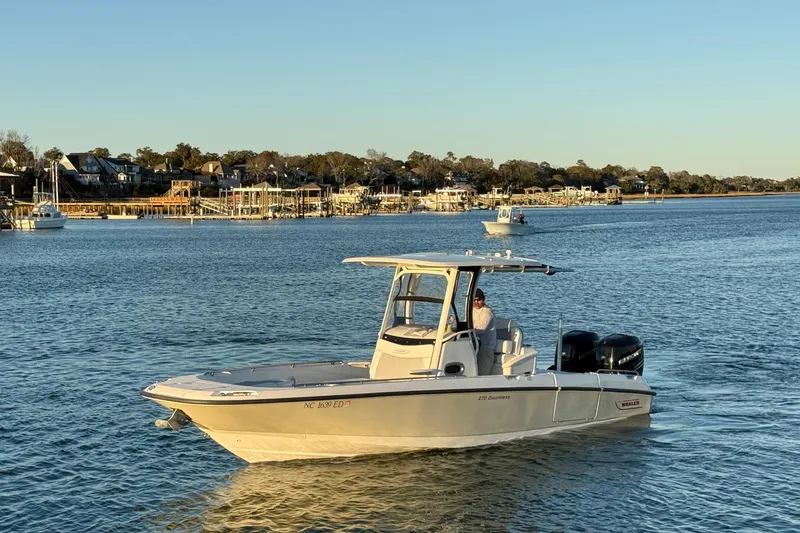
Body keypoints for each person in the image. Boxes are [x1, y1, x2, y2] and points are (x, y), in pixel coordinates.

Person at [472, 288, 496, 375]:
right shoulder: (472, 310)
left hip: (486, 347)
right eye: (474, 300)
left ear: (483, 299)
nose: (476, 302)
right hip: (475, 345)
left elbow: (480, 330)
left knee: (481, 374)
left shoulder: (487, 312)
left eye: (479, 300)